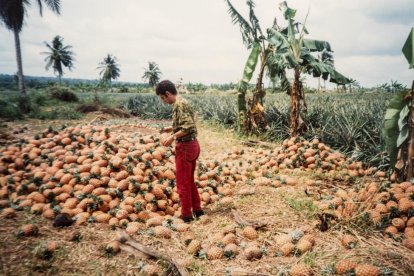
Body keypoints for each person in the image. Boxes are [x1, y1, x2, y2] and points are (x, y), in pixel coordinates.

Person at [155, 80, 204, 222]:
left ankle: (186, 216)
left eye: (163, 98)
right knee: (190, 181)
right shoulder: (184, 101)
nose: (164, 101)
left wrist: (172, 136)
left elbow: (188, 126)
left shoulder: (178, 105)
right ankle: (198, 210)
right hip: (194, 145)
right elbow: (189, 123)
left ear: (168, 93)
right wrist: (172, 129)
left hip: (185, 147)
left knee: (182, 183)